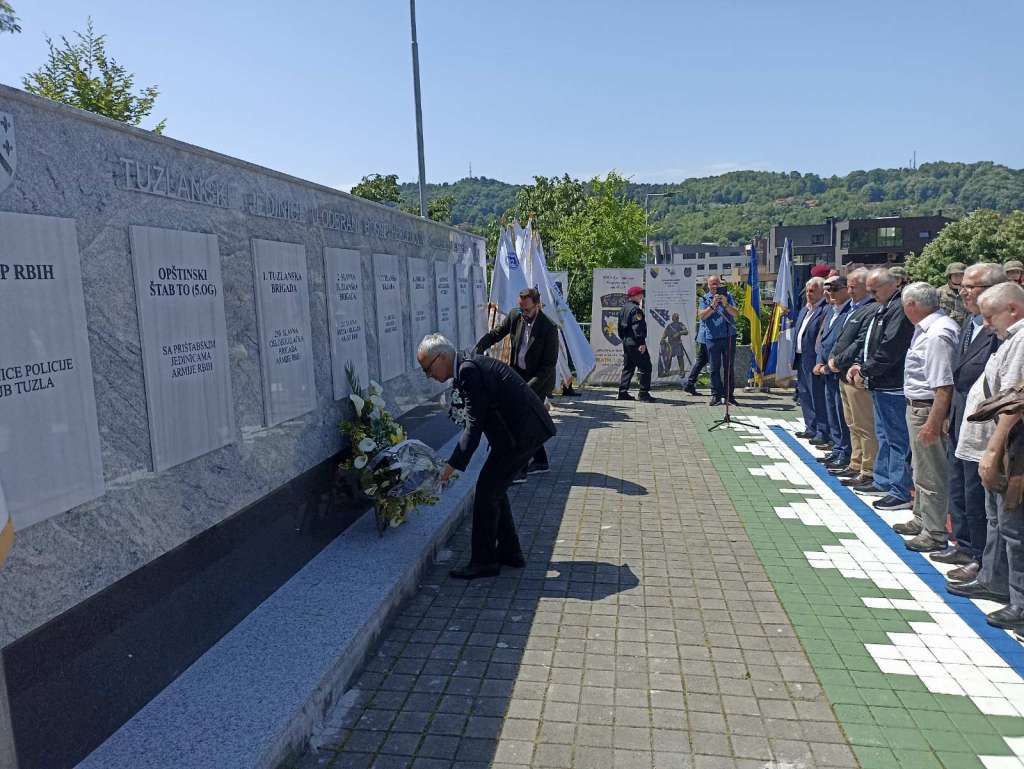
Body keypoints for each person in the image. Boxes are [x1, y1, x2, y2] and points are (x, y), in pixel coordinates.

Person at [421, 334, 556, 580]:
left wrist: (450, 467)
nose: (428, 376)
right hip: (518, 434)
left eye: (427, 368)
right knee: (494, 490)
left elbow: (473, 427)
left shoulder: (468, 371)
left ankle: (484, 562)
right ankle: (510, 553)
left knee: (486, 493)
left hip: (522, 435)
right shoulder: (467, 365)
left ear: (440, 358)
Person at [947, 283, 1024, 631]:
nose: (986, 323)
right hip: (1000, 445)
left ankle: (1019, 602)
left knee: (1012, 528)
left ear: (1013, 309)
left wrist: (992, 452)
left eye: (990, 316)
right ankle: (995, 582)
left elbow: (1013, 402)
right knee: (997, 521)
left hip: (1011, 450)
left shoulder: (1020, 341)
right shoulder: (1010, 339)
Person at [937, 263, 1006, 579]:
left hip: (984, 428)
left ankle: (980, 557)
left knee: (979, 498)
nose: (962, 291)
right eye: (962, 285)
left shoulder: (1000, 333)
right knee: (960, 489)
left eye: (971, 287)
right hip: (960, 419)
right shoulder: (970, 323)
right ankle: (963, 544)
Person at [893, 282, 960, 551]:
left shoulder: (937, 334)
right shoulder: (927, 329)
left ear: (912, 305)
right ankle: (922, 518)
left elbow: (943, 385)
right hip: (918, 406)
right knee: (920, 468)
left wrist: (934, 422)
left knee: (931, 472)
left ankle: (934, 532)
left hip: (928, 408)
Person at [847, 268, 915, 508]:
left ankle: (899, 489)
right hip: (881, 383)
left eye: (875, 290)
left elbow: (890, 348)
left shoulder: (898, 309)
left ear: (892, 284)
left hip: (892, 384)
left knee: (897, 439)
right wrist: (861, 364)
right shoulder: (884, 307)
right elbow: (871, 343)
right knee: (884, 435)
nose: (872, 294)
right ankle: (883, 478)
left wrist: (866, 369)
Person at [474, 287, 559, 478]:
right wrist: (478, 348)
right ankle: (540, 461)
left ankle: (519, 469)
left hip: (539, 381)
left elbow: (548, 366)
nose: (524, 314)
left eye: (527, 310)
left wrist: (526, 390)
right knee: (524, 422)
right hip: (518, 374)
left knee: (522, 420)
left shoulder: (549, 328)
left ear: (538, 306)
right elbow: (496, 333)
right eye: (521, 309)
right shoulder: (515, 316)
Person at [829, 269, 878, 487]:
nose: (849, 290)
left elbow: (859, 342)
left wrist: (838, 361)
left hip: (855, 374)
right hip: (843, 374)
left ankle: (868, 469)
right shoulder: (853, 309)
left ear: (866, 286)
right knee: (852, 423)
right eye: (847, 286)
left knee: (864, 425)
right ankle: (855, 463)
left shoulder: (870, 309)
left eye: (853, 286)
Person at [814, 276, 853, 470]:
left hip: (838, 370)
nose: (830, 293)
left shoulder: (849, 312)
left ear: (846, 289)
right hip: (825, 369)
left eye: (835, 289)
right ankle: (838, 448)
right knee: (832, 411)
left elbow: (841, 343)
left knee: (841, 414)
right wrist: (819, 361)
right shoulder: (831, 311)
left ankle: (845, 452)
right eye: (827, 289)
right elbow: (822, 339)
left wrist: (829, 365)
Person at [793, 278, 829, 443]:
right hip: (801, 357)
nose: (809, 294)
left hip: (814, 360)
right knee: (805, 394)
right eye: (807, 291)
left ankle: (822, 432)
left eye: (813, 291)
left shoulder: (825, 310)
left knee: (817, 396)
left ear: (822, 292)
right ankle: (810, 427)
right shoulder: (804, 310)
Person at [697, 275, 739, 406]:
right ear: (708, 286)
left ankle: (729, 395)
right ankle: (715, 395)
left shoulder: (729, 296)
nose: (715, 286)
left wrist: (726, 304)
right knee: (714, 368)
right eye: (712, 284)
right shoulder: (705, 298)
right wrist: (712, 306)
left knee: (729, 367)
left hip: (728, 336)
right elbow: (702, 316)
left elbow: (736, 314)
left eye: (717, 284)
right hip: (712, 338)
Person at [618, 286, 655, 402]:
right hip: (636, 343)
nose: (641, 296)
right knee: (646, 366)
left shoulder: (624, 308)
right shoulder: (636, 310)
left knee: (628, 367)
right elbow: (637, 328)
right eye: (639, 294)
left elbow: (620, 327)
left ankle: (623, 392)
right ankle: (644, 393)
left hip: (627, 342)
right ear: (633, 295)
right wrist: (641, 343)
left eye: (641, 294)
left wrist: (625, 339)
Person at [658, 312, 689, 378]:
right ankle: (667, 371)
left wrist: (679, 333)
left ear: (678, 318)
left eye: (676, 317)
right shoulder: (669, 326)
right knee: (668, 359)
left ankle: (682, 371)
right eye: (675, 317)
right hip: (670, 345)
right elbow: (665, 333)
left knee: (680, 357)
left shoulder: (681, 324)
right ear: (672, 318)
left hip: (677, 343)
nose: (676, 318)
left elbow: (686, 331)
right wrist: (662, 339)